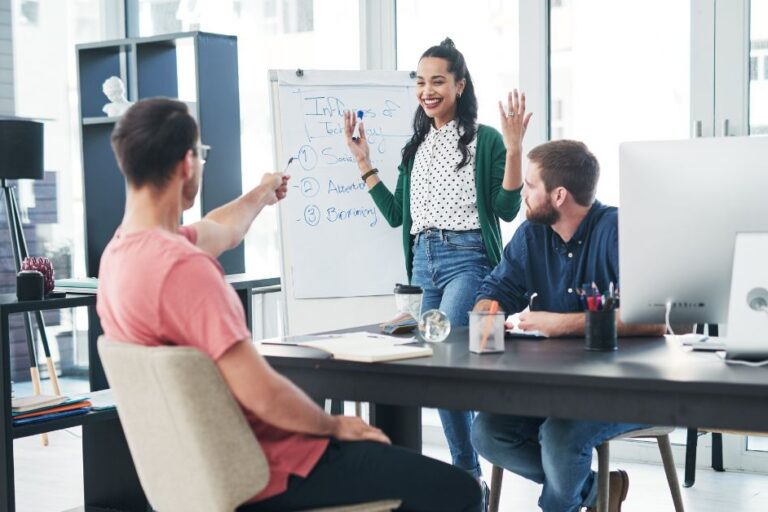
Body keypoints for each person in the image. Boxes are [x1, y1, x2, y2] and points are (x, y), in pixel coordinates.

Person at [97, 98, 482, 512]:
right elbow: (260, 392)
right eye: (202, 155)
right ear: (188, 163)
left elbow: (219, 230)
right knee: (459, 491)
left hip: (209, 474)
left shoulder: (120, 259)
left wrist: (262, 194)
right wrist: (333, 425)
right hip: (276, 469)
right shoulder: (184, 270)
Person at [344, 37, 532, 489]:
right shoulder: (416, 148)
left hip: (467, 260)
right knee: (423, 364)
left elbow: (506, 209)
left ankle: (467, 475)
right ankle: (465, 474)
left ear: (460, 86)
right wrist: (364, 163)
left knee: (442, 358)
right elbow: (396, 215)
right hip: (422, 267)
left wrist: (513, 149)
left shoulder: (484, 140)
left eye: (438, 81)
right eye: (421, 82)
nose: (427, 90)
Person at [469, 140, 666, 512]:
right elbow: (496, 290)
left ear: (558, 195)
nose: (521, 193)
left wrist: (562, 325)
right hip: (553, 386)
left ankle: (566, 502)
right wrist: (488, 312)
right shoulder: (532, 234)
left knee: (559, 438)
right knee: (488, 432)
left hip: (624, 387)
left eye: (529, 185)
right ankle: (597, 492)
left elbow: (655, 320)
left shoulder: (617, 230)